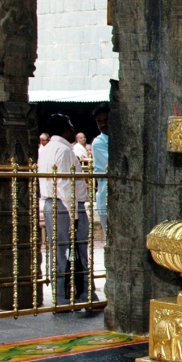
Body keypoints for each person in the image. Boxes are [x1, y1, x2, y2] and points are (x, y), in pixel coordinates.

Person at [38, 114, 96, 308]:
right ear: (65, 129)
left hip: (52, 203)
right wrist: (74, 216)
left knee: (59, 250)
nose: (73, 129)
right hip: (65, 205)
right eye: (70, 126)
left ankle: (64, 294)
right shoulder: (63, 150)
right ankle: (77, 294)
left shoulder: (46, 149)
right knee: (75, 250)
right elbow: (64, 185)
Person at [91, 104, 109, 237]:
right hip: (107, 196)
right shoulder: (99, 143)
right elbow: (112, 165)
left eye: (106, 120)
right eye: (99, 122)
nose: (103, 124)